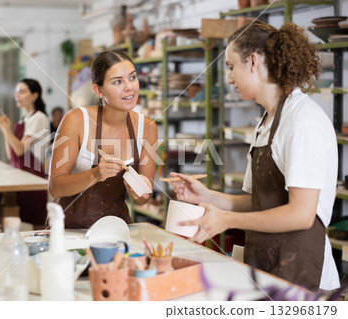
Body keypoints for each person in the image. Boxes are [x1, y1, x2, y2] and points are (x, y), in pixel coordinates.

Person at [170, 21, 339, 291]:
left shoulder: (302, 121)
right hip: (270, 268)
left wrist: (227, 220)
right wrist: (207, 197)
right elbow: (258, 202)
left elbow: (301, 214)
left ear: (252, 61)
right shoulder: (266, 121)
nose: (228, 78)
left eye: (230, 66)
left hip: (305, 278)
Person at [49, 49, 158, 229]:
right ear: (98, 90)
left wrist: (139, 190)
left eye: (132, 77)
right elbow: (56, 186)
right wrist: (95, 174)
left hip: (117, 230)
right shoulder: (76, 120)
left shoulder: (147, 128)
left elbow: (143, 200)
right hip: (69, 230)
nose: (129, 87)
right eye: (117, 81)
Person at [0, 78, 50, 229]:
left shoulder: (38, 118)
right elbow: (12, 154)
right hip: (20, 176)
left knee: (37, 226)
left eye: (22, 92)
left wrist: (4, 126)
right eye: (16, 92)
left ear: (35, 95)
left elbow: (20, 149)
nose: (17, 96)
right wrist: (3, 127)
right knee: (5, 211)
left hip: (33, 179)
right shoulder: (24, 119)